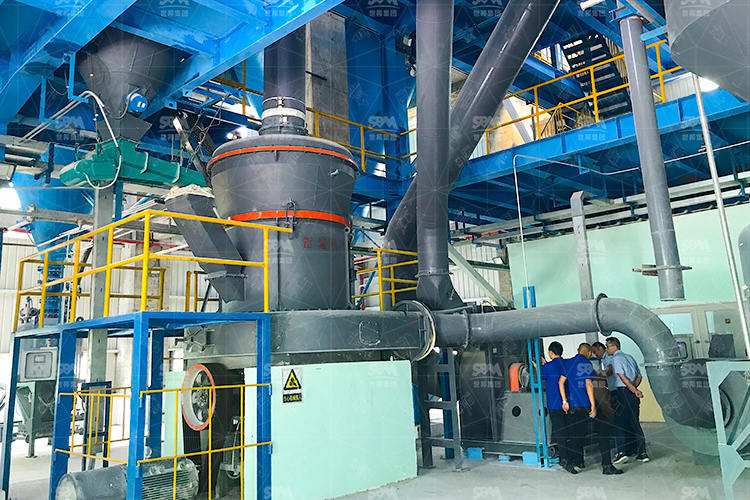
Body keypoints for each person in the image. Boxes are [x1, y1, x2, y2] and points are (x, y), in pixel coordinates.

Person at [604, 336, 649, 463]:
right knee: (634, 423)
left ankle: (622, 452)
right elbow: (639, 376)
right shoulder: (630, 357)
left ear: (614, 346)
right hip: (630, 394)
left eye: (607, 346)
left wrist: (632, 389)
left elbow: (622, 376)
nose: (606, 349)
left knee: (619, 423)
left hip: (622, 394)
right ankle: (642, 452)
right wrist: (633, 388)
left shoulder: (616, 358)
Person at [539, 341, 577, 474]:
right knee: (569, 430)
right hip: (569, 403)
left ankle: (564, 460)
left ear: (550, 353)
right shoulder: (567, 363)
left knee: (560, 432)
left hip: (555, 404)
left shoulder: (548, 366)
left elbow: (541, 377)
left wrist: (538, 367)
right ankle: (574, 458)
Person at [558, 343, 596, 473]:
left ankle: (576, 460)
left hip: (571, 404)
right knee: (581, 434)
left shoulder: (569, 362)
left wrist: (564, 401)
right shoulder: (587, 363)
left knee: (573, 434)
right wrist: (593, 405)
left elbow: (561, 382)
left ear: (577, 350)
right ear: (589, 353)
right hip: (583, 404)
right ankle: (577, 461)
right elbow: (588, 384)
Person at [590, 342, 624, 474]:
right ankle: (608, 463)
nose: (595, 355)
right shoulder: (601, 361)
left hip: (609, 396)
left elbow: (609, 372)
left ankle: (621, 451)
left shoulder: (609, 359)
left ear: (601, 348)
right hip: (603, 399)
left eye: (595, 352)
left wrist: (596, 374)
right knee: (606, 430)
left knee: (615, 425)